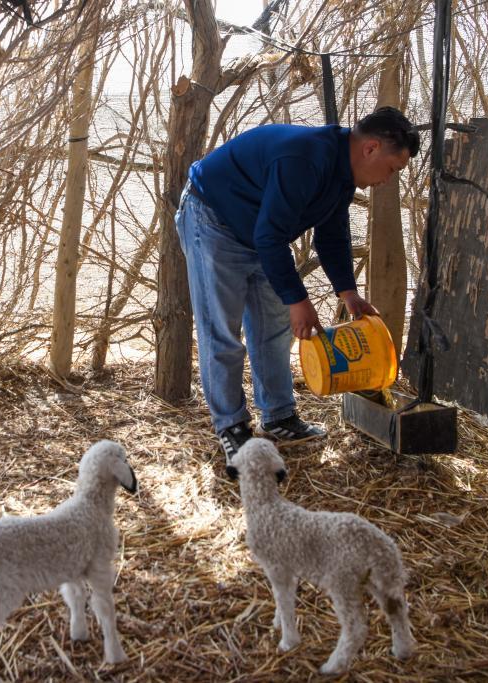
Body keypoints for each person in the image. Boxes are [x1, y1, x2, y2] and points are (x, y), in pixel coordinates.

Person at [174, 106, 420, 474]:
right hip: (214, 220)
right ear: (370, 148)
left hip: (260, 233)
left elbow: (332, 233)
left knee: (274, 330)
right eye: (392, 168)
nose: (388, 179)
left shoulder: (341, 173)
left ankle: (278, 416)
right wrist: (298, 299)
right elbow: (271, 235)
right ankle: (233, 428)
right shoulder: (306, 158)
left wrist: (347, 292)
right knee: (222, 333)